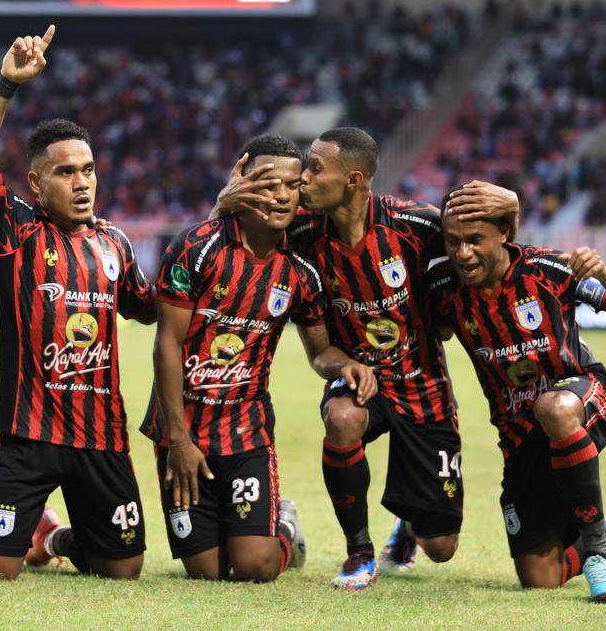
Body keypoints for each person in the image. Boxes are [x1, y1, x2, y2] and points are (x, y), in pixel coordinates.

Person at [216, 127, 517, 589]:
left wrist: (511, 204)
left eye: (315, 169)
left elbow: (480, 238)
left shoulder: (413, 225)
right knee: (341, 417)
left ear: (353, 180)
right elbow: (218, 246)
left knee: (442, 547)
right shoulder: (299, 232)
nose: (303, 179)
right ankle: (358, 553)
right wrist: (225, 201)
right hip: (358, 379)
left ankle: (412, 525)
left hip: (423, 386)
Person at [0, 26, 157, 580]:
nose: (82, 181)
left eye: (88, 169)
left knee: (124, 571)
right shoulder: (15, 230)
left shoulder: (114, 243)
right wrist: (5, 84)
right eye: (65, 173)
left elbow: (149, 306)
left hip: (101, 433)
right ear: (37, 185)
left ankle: (54, 535)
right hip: (27, 433)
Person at [141, 134, 373, 581]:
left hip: (246, 432)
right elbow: (166, 344)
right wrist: (178, 440)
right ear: (241, 184)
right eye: (267, 184)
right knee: (206, 572)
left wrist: (343, 364)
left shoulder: (301, 271)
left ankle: (284, 530)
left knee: (253, 567)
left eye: (291, 185)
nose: (281, 195)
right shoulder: (196, 248)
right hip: (182, 429)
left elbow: (320, 350)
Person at [427, 188, 606, 601]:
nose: (463, 253)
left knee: (552, 406)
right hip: (518, 436)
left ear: (503, 233)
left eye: (474, 240)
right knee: (539, 577)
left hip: (583, 398)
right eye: (453, 241)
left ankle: (597, 556)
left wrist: (603, 274)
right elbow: (437, 331)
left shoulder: (549, 269)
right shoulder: (445, 289)